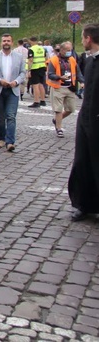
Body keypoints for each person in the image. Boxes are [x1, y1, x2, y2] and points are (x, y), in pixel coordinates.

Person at [68, 24, 99, 222]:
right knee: (82, 161)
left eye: (82, 37)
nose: (82, 41)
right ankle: (83, 203)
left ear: (88, 39)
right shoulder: (88, 61)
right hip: (86, 117)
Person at [0, 34, 26, 152]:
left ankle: (10, 141)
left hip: (13, 90)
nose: (6, 43)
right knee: (0, 117)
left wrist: (16, 81)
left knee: (11, 116)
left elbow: (23, 72)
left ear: (12, 43)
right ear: (1, 43)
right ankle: (1, 138)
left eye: (8, 41)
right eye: (4, 41)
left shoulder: (18, 57)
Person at [46, 41, 84, 138]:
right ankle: (59, 129)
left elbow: (77, 71)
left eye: (70, 50)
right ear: (62, 50)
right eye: (67, 50)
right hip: (58, 88)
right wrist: (60, 77)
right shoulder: (54, 60)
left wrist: (82, 81)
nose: (69, 52)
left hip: (70, 88)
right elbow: (50, 74)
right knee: (58, 109)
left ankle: (56, 120)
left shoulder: (72, 59)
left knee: (71, 109)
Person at [27, 36, 48, 108]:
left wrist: (29, 70)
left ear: (31, 41)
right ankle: (43, 100)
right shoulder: (42, 48)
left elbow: (30, 60)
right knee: (41, 84)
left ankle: (36, 101)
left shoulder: (31, 49)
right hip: (42, 67)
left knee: (35, 85)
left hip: (34, 68)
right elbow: (46, 58)